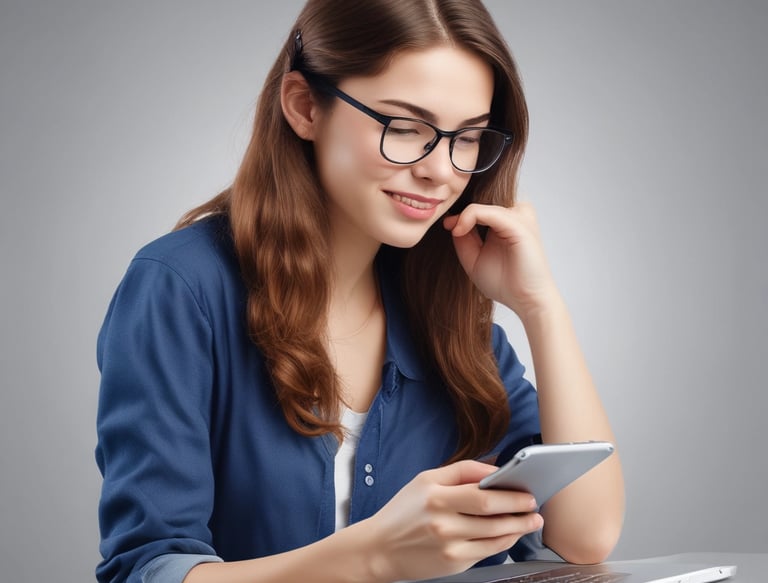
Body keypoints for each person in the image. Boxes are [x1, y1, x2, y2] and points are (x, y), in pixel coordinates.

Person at [95, 1, 625, 582]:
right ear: (304, 107)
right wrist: (375, 556)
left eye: (468, 138)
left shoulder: (448, 315)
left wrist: (541, 306)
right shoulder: (182, 288)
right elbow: (148, 570)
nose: (441, 171)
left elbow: (586, 539)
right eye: (405, 127)